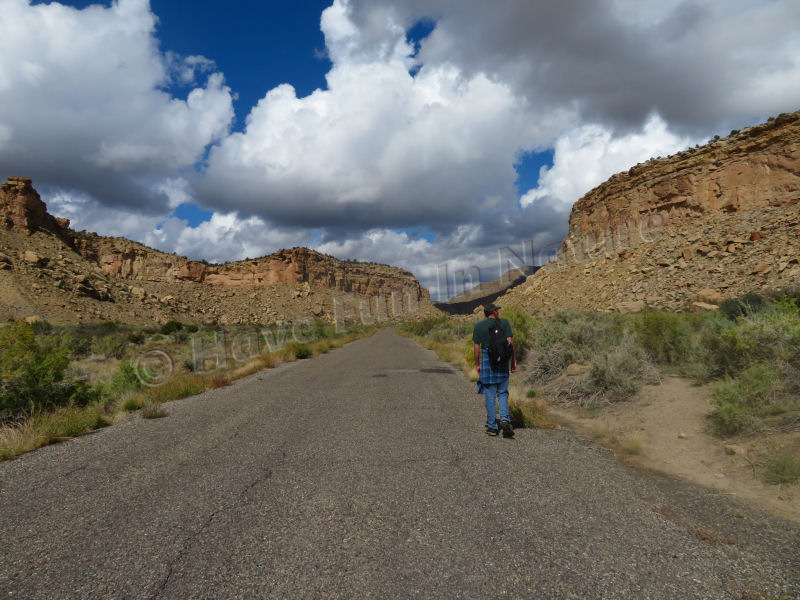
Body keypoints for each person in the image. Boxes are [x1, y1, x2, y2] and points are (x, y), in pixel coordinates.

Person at [473, 303, 517, 437]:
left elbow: (476, 349)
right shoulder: (504, 323)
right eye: (497, 310)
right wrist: (513, 361)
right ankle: (504, 419)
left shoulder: (479, 326)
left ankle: (492, 427)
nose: (499, 311)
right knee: (503, 392)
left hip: (487, 359)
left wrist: (477, 364)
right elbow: (510, 343)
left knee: (490, 394)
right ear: (494, 312)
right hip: (502, 360)